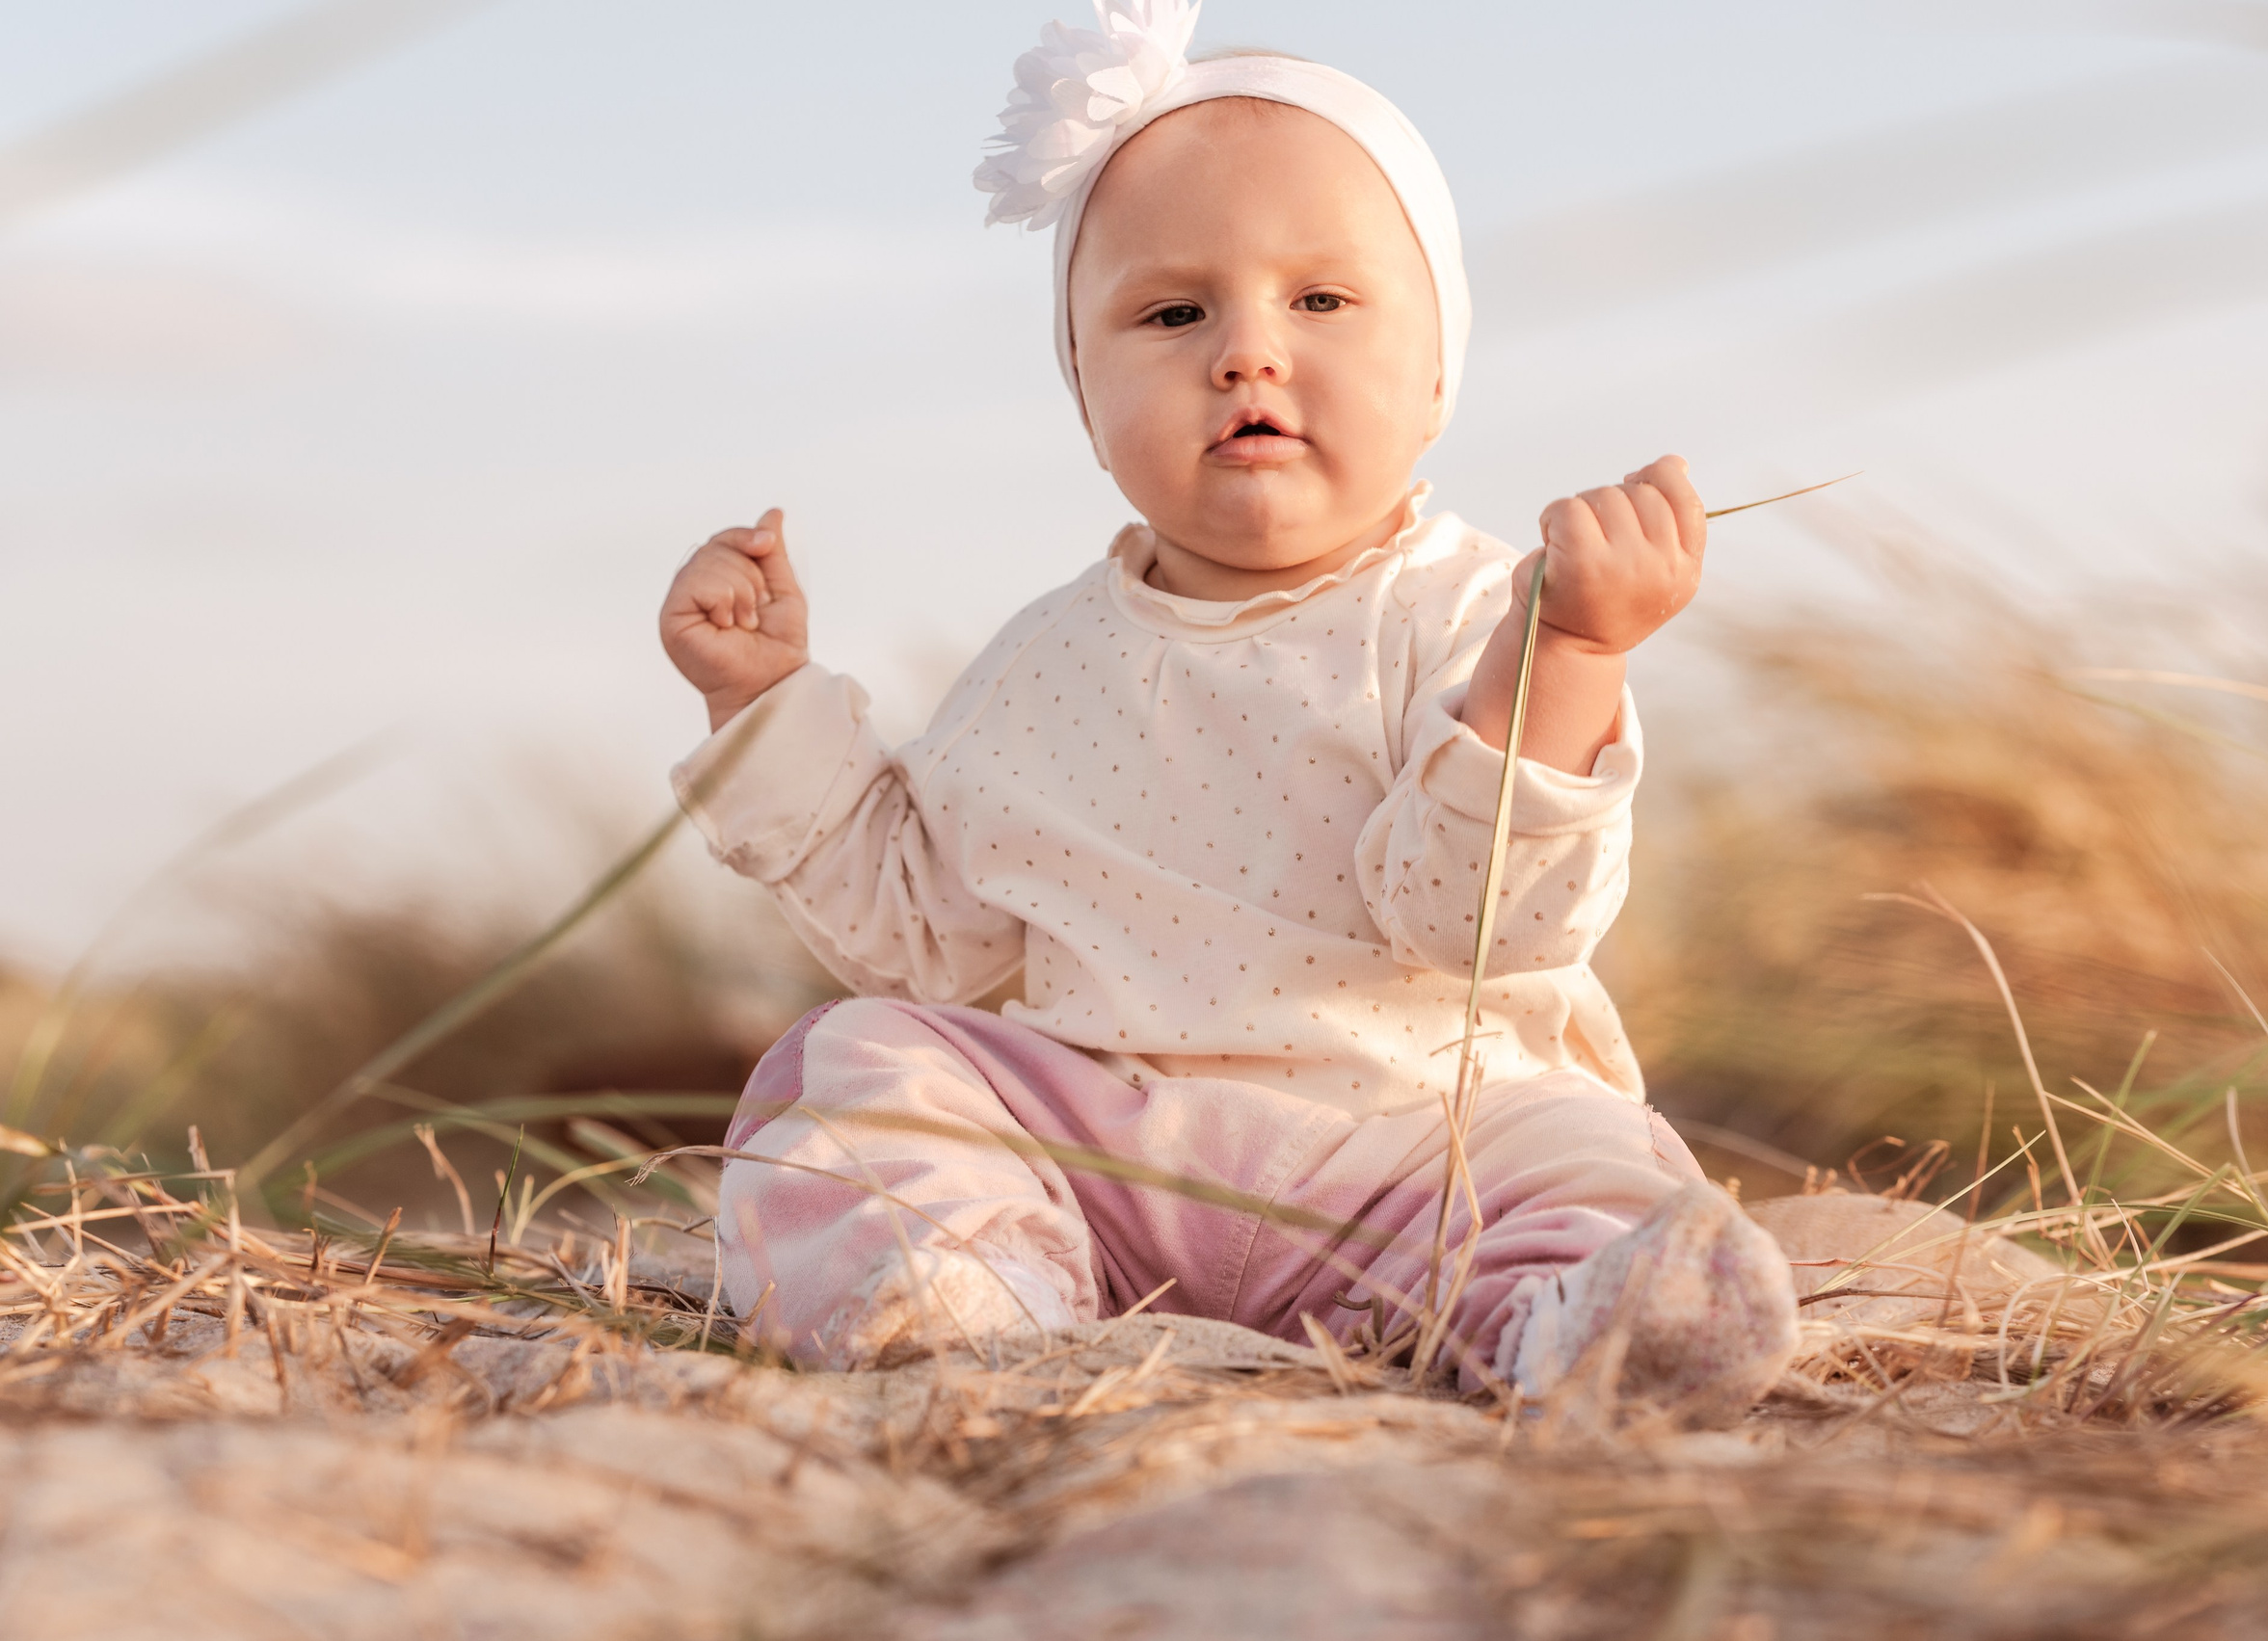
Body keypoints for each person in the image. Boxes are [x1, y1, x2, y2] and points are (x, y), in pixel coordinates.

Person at [656, 1, 1797, 1414]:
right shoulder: (1044, 659)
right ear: (1086, 394)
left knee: (1579, 1150)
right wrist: (762, 700)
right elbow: (926, 937)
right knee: (870, 1057)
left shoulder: (1480, 612)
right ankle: (964, 1287)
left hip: (1421, 1151)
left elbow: (1480, 923)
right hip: (1112, 1166)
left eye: (1321, 301)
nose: (1247, 351)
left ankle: (1568, 1328)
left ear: (1437, 373)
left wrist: (1567, 657)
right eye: (1172, 311)